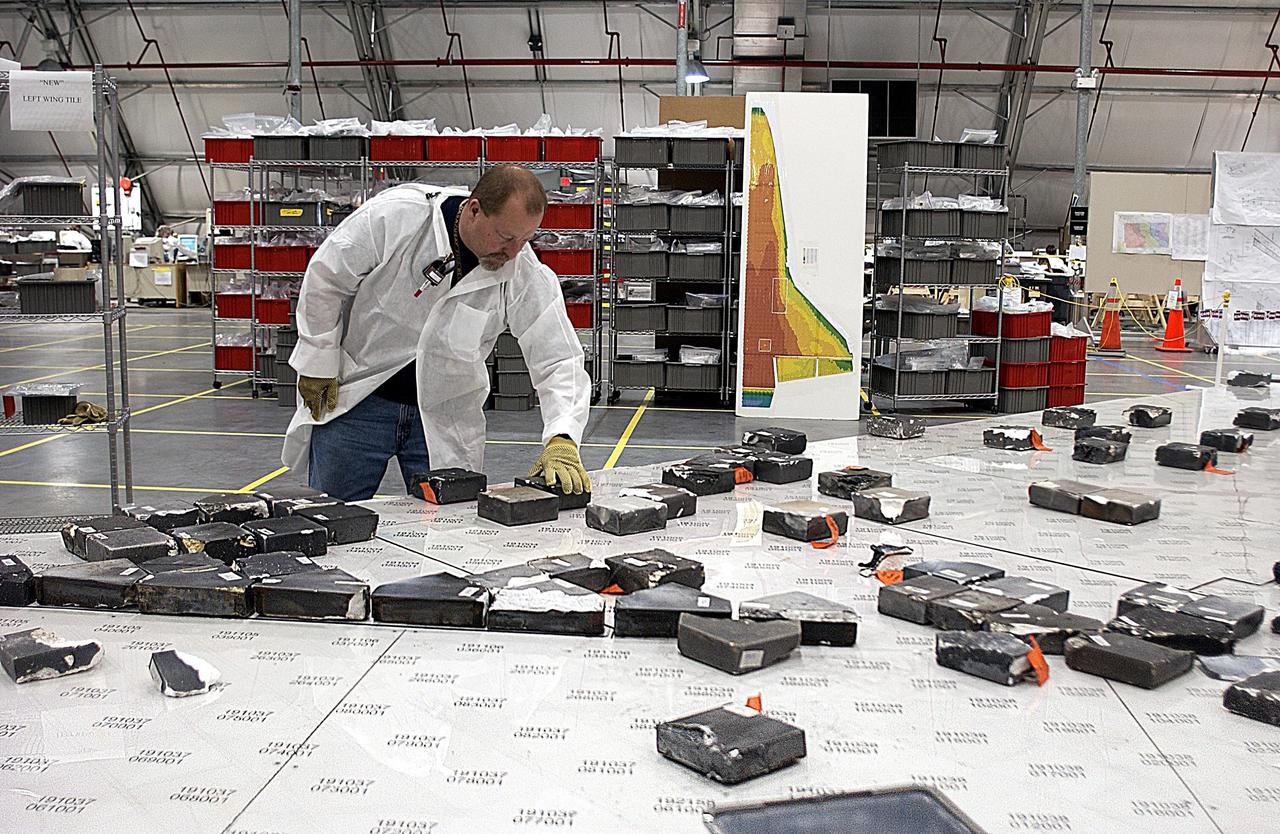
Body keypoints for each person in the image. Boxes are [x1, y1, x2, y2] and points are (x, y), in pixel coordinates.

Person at [281, 165, 592, 501]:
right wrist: (318, 360)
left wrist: (562, 436)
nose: (514, 252)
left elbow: (559, 356)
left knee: (449, 532)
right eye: (505, 237)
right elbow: (328, 278)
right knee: (332, 517)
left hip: (444, 419)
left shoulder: (521, 270)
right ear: (474, 210)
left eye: (525, 239)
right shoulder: (399, 217)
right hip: (359, 402)